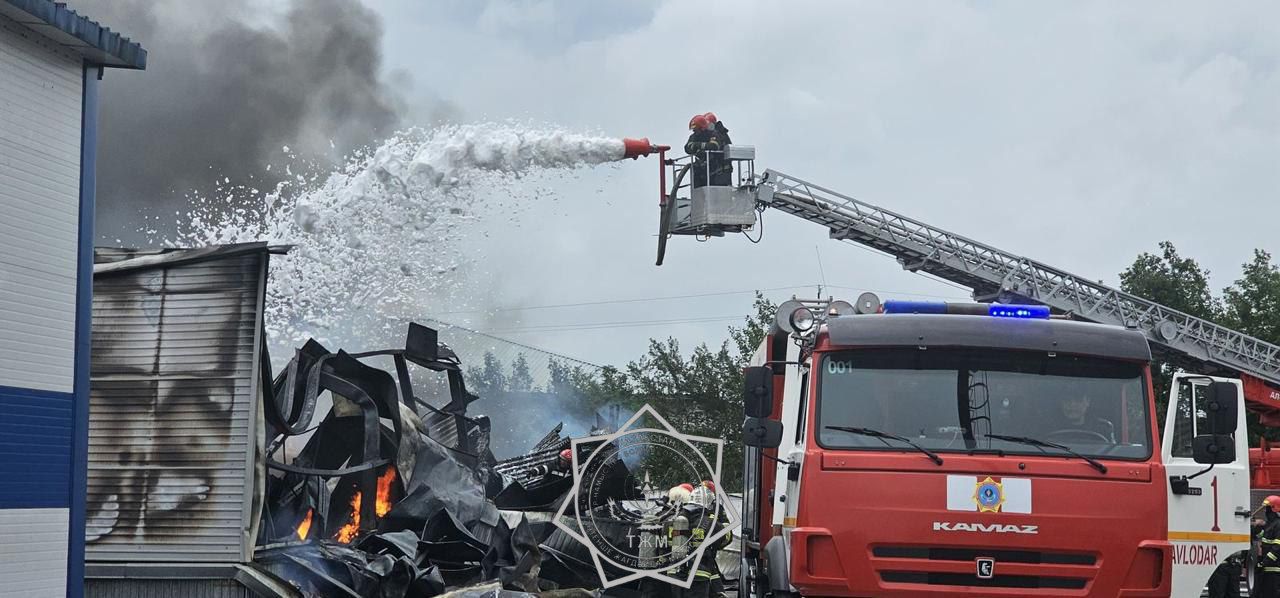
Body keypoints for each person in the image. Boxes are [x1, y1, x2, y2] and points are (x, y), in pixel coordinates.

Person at [1048, 393, 1115, 442]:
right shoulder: (1048, 426)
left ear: (1087, 402)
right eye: (1067, 400)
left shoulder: (1103, 427)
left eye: (1078, 400)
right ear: (1061, 403)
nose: (1072, 405)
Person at [684, 114, 721, 189]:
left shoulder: (712, 134)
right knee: (698, 190)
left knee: (712, 190)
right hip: (699, 168)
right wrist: (695, 146)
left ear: (702, 128)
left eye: (696, 129)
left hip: (713, 169)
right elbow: (687, 148)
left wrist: (698, 145)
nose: (695, 132)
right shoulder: (693, 137)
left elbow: (714, 146)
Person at [703, 112, 733, 186]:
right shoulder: (716, 133)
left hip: (722, 171)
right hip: (715, 170)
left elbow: (715, 146)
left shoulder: (720, 134)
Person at [1258, 496, 1280, 597]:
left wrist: (1263, 562)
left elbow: (1277, 548)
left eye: (1267, 508)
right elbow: (1262, 536)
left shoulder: (1278, 525)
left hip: (1275, 570)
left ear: (1274, 509)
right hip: (1268, 570)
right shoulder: (1270, 524)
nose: (1266, 512)